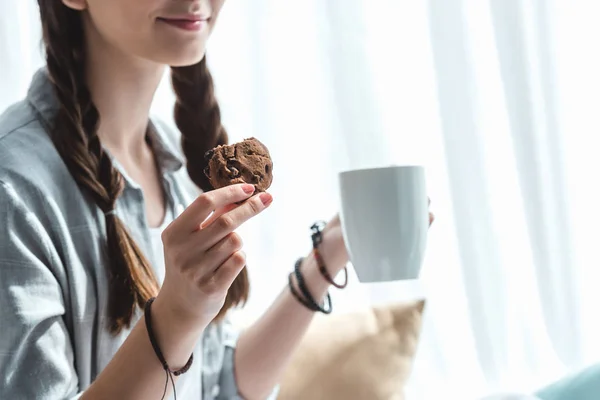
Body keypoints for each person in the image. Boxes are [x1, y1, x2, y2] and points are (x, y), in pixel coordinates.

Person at [0, 1, 433, 399]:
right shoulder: (14, 188)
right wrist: (175, 315)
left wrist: (324, 261)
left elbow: (214, 384)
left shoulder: (173, 159)